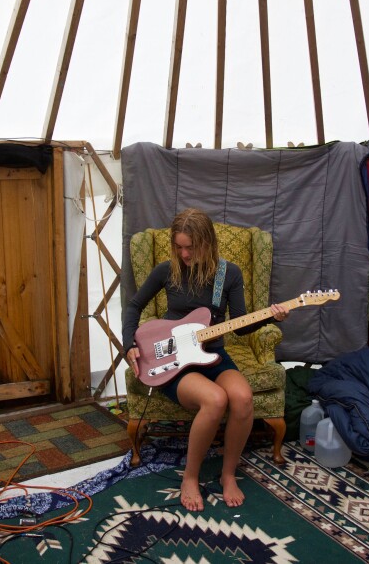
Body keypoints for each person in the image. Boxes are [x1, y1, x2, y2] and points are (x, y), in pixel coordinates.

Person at [123, 208, 289, 512]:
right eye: (179, 247)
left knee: (242, 398)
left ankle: (228, 474)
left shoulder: (229, 274)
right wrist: (129, 344)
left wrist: (269, 317)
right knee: (215, 400)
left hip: (212, 355)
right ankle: (190, 477)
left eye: (191, 247)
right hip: (173, 360)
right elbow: (133, 307)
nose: (184, 254)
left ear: (208, 243)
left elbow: (240, 326)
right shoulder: (166, 270)